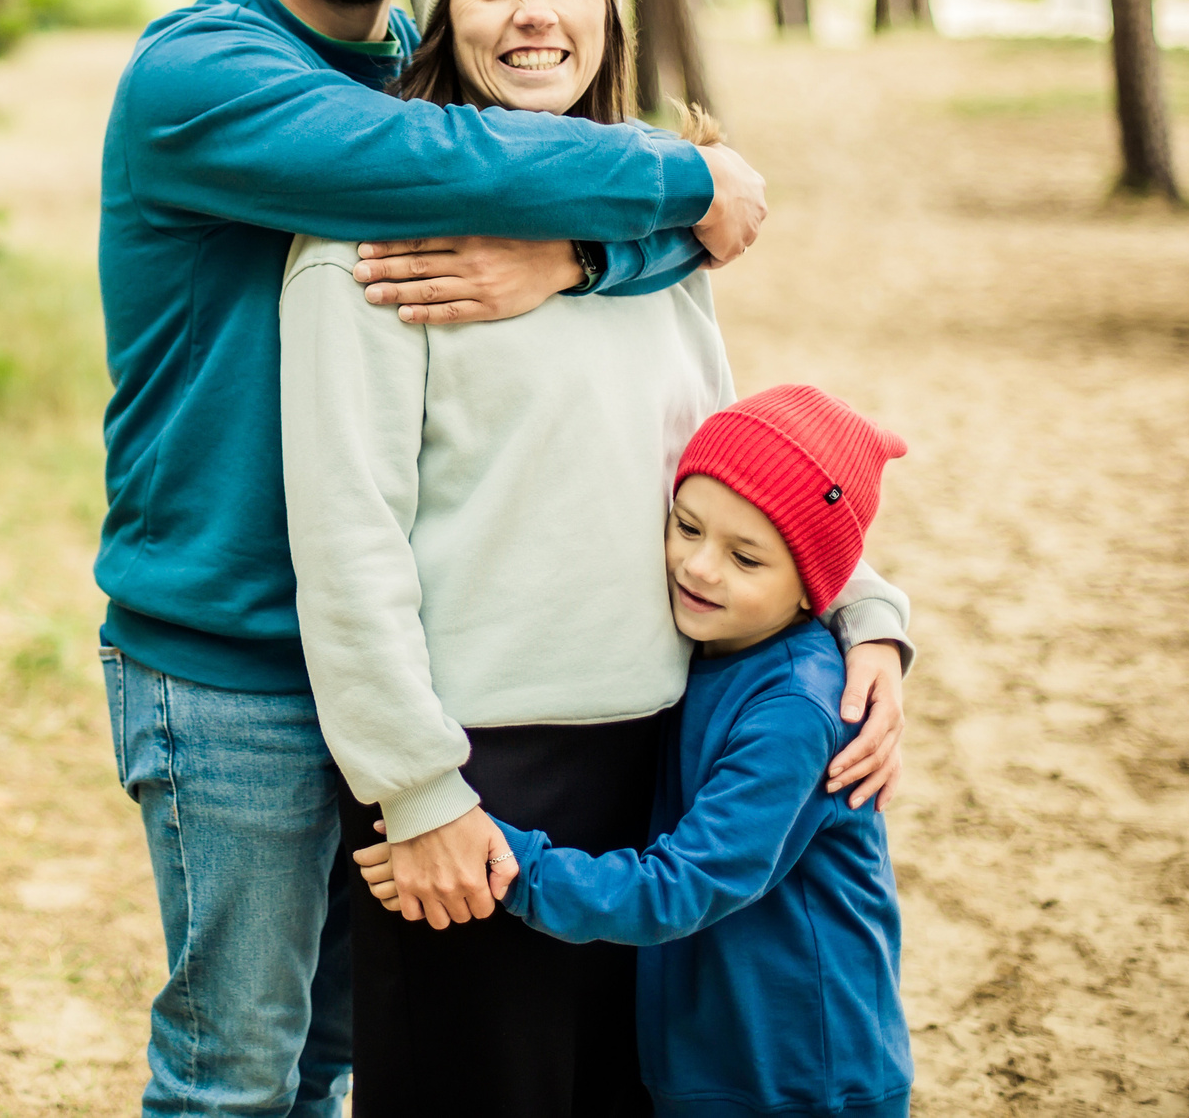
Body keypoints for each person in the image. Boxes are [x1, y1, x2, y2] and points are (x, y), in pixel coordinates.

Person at [97, 0, 819, 1118]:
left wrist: (583, 256)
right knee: (239, 1070)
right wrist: (687, 176)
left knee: (342, 1053)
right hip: (237, 649)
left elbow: (574, 232)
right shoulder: (203, 77)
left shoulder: (422, 52)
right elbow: (438, 157)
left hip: (417, 663)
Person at [281, 0, 912, 1117]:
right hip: (480, 776)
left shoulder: (648, 228)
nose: (535, 15)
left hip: (662, 760)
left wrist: (866, 615)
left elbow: (729, 472)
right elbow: (346, 543)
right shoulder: (370, 250)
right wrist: (417, 790)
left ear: (610, 7)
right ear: (438, 14)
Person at [359, 385, 915, 1118]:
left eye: (746, 558)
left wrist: (507, 862)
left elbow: (685, 884)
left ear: (818, 587)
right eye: (687, 526)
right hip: (710, 1054)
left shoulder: (796, 710)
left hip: (800, 1070)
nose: (701, 567)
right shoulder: (709, 644)